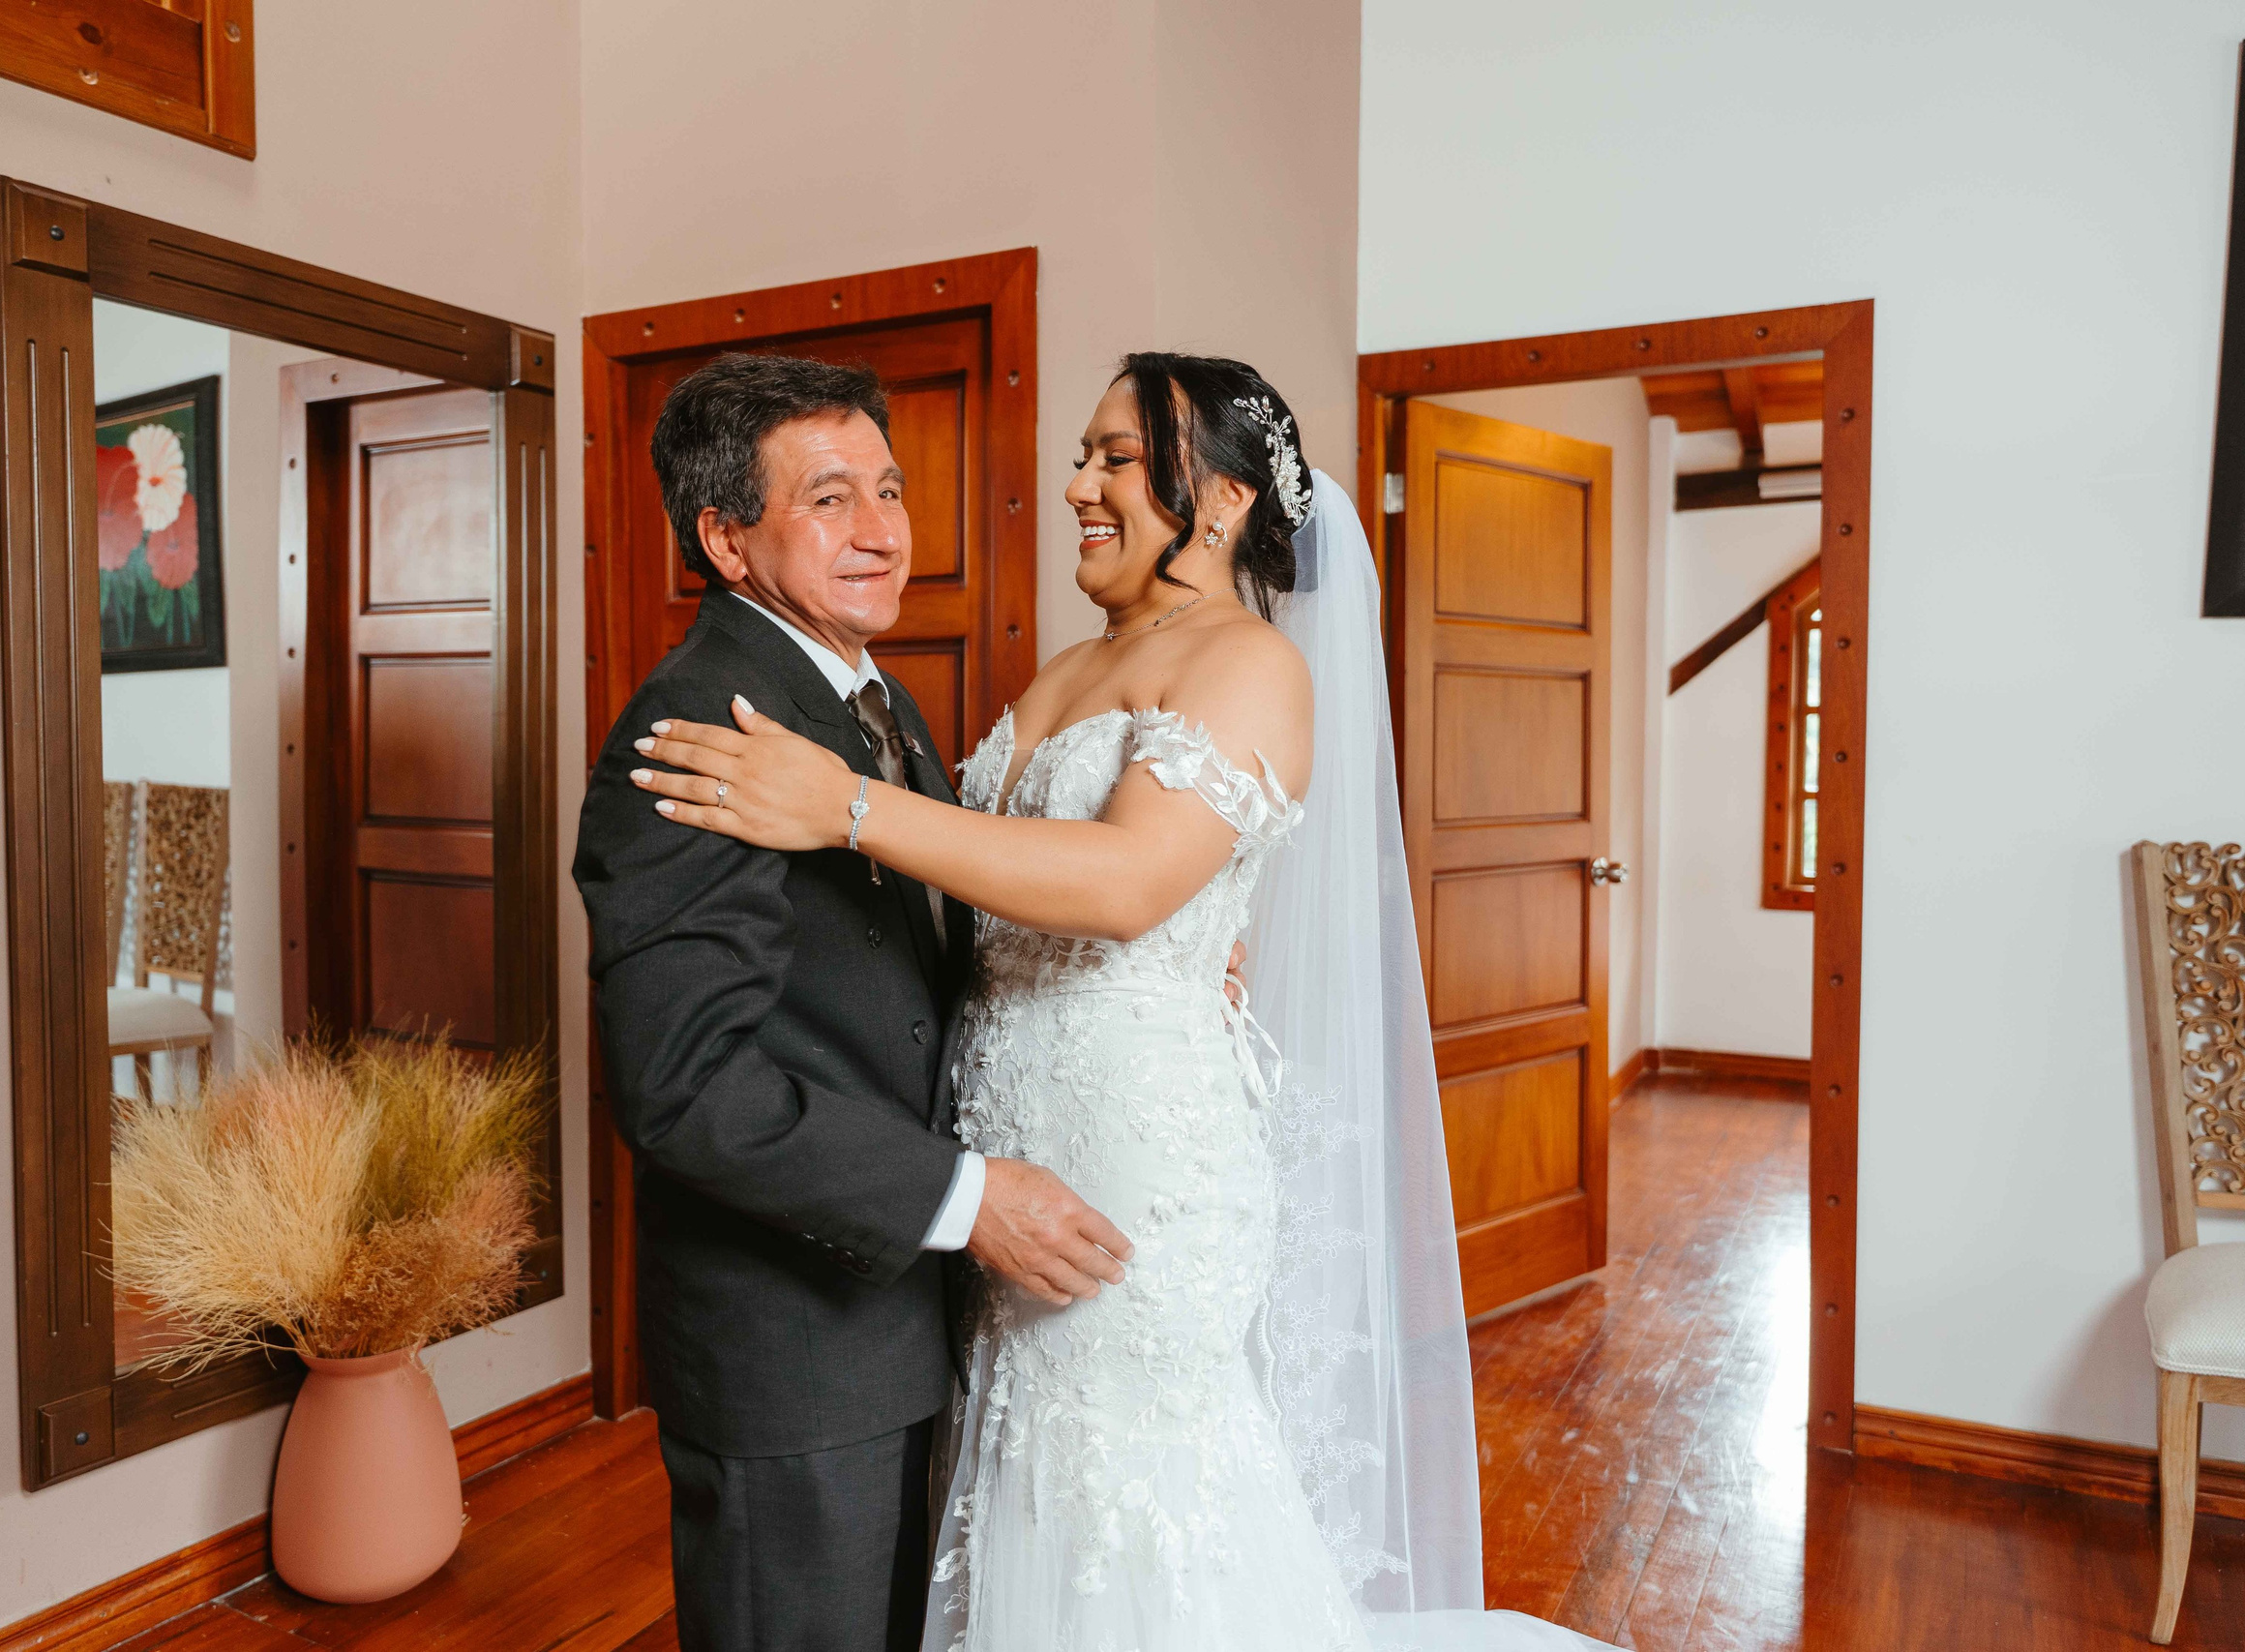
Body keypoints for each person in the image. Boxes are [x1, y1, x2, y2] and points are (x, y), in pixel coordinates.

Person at [628, 353, 1614, 1649]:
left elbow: (1130, 880)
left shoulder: (1251, 662)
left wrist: (848, 808)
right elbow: (989, 899)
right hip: (1003, 1150)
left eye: (1117, 460)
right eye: (1084, 456)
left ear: (1216, 501)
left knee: (1130, 1494)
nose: (1080, 486)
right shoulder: (1067, 672)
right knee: (1025, 1484)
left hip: (1140, 1151)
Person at [572, 352, 1138, 1652]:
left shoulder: (867, 703)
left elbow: (905, 966)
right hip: (792, 1353)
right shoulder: (694, 736)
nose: (883, 530)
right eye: (831, 499)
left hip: (901, 1317)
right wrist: (970, 1199)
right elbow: (687, 1088)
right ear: (726, 538)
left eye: (888, 489)